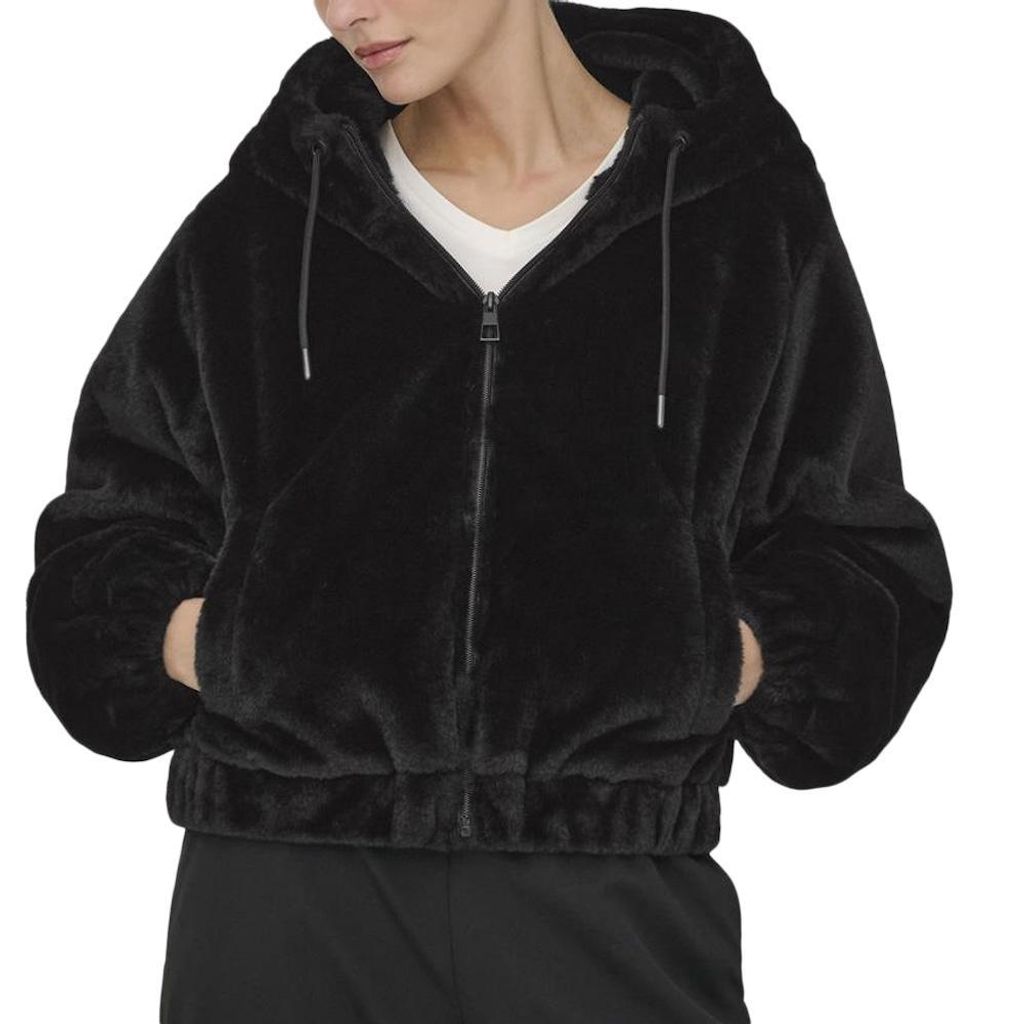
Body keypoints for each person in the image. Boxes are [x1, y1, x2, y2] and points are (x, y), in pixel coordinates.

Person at [24, 1, 953, 1021]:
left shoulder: (739, 216)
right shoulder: (266, 219)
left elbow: (857, 554)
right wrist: (236, 648)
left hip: (613, 889)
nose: (345, 8)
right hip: (277, 889)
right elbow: (105, 536)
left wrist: (696, 662)